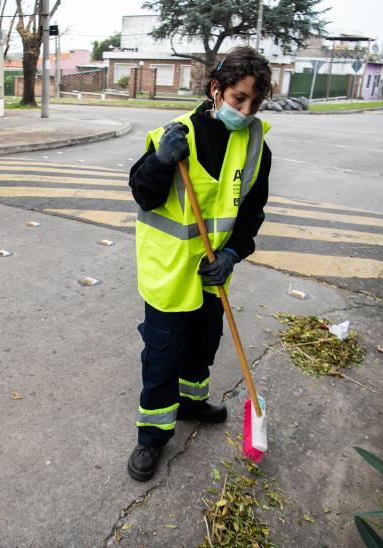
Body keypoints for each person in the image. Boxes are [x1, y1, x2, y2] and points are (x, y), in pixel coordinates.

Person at [126, 46, 273, 482]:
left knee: (203, 346)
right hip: (170, 272)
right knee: (162, 356)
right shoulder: (175, 135)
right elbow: (143, 193)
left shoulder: (255, 146)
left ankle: (190, 403)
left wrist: (232, 254)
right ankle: (151, 436)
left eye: (254, 103)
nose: (245, 111)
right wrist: (159, 161)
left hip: (212, 275)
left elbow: (251, 213)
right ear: (216, 89)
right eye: (238, 99)